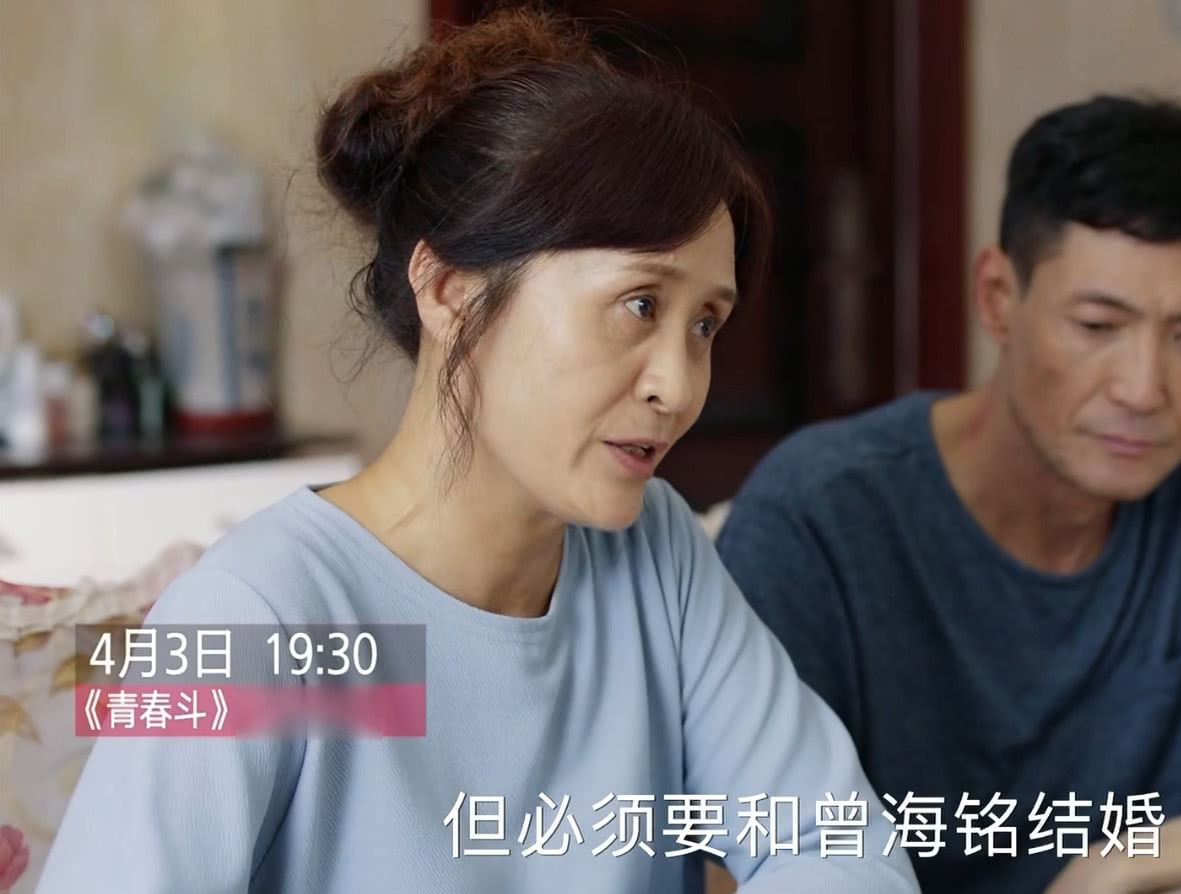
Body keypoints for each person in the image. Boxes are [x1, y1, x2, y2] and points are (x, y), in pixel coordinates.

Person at [39, 11, 917, 893]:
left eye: (705, 324)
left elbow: (839, 847)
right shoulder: (261, 620)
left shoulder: (655, 558)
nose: (678, 387)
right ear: (450, 289)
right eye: (640, 305)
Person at [715, 96, 1181, 894]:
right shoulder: (822, 511)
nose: (1143, 390)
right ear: (998, 297)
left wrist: (1121, 862)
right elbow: (728, 862)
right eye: (1098, 326)